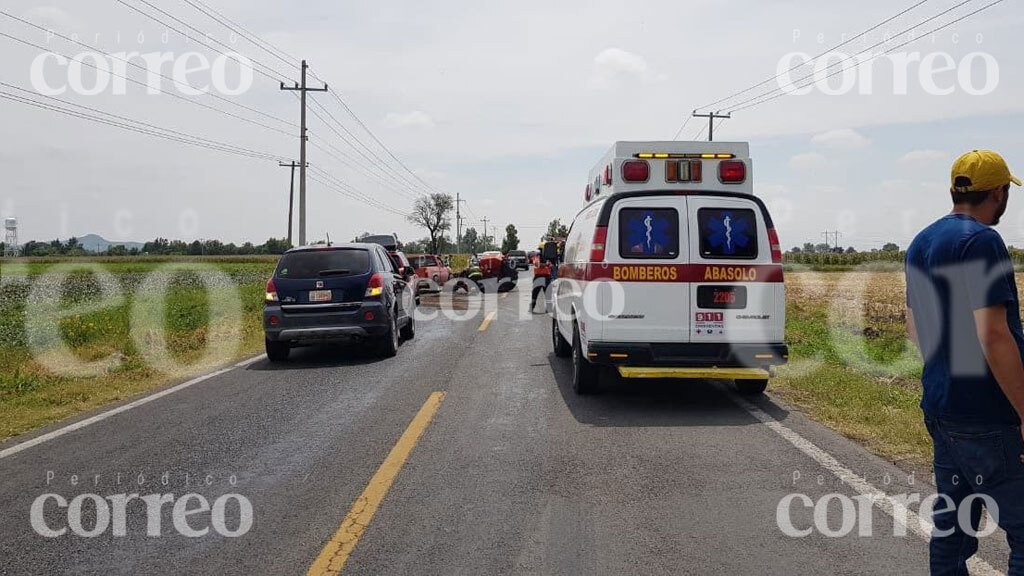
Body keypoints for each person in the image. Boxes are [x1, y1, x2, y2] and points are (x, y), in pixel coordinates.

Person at [905, 150, 1024, 575]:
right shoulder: (982, 242)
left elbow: (917, 328)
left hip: (942, 405)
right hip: (986, 414)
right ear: (999, 192)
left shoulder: (922, 241)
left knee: (954, 526)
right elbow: (993, 333)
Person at [530, 243, 552, 313]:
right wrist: (546, 264)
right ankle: (532, 307)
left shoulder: (549, 257)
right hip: (538, 277)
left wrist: (548, 264)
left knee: (548, 293)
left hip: (546, 277)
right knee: (535, 293)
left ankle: (549, 308)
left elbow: (551, 265)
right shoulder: (536, 257)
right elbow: (537, 264)